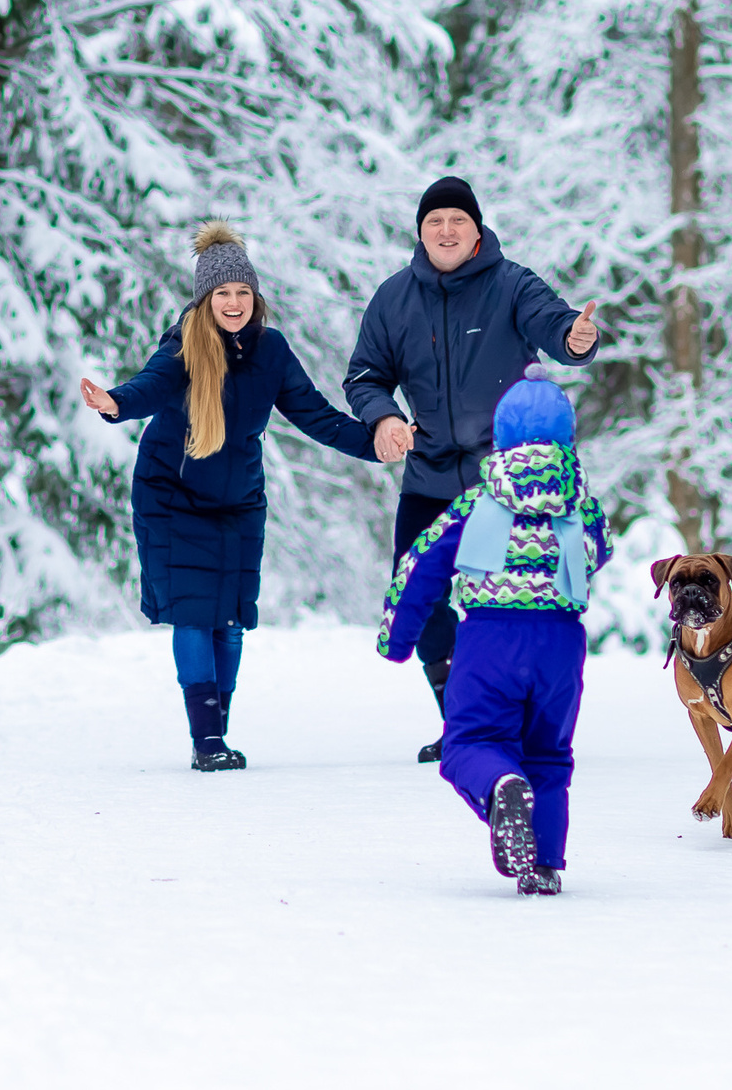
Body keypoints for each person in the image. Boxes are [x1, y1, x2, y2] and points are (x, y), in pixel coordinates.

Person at [82, 222, 376, 772]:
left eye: (243, 292)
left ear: (255, 297)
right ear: (205, 299)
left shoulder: (272, 351)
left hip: (239, 500)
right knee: (195, 614)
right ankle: (206, 741)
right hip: (171, 498)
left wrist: (377, 443)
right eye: (223, 293)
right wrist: (115, 403)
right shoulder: (183, 347)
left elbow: (315, 415)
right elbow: (150, 385)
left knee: (231, 620)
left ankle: (216, 731)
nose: (234, 302)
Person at [346, 176, 600, 761]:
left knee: (506, 599)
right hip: (431, 473)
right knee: (419, 587)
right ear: (420, 232)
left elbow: (556, 325)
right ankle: (462, 718)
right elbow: (365, 375)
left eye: (458, 219)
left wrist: (575, 337)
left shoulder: (511, 284)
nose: (446, 229)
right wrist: (384, 417)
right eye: (435, 221)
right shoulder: (393, 298)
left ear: (477, 228)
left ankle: (512, 720)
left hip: (505, 482)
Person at [380, 365, 610, 895]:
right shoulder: (582, 505)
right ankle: (544, 864)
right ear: (567, 437)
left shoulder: (473, 504)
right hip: (559, 644)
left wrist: (398, 637)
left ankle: (500, 785)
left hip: (488, 641)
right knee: (549, 755)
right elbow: (598, 553)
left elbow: (420, 565)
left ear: (500, 439)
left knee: (470, 743)